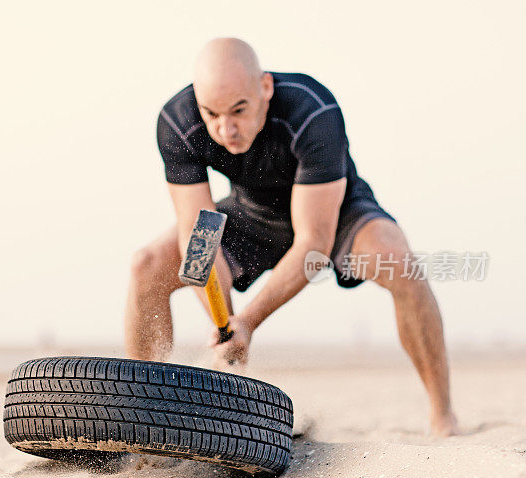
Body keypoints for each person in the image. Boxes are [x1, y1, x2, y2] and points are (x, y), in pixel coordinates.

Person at [124, 37, 458, 437]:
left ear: (264, 88)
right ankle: (141, 416)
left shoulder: (311, 110)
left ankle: (443, 416)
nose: (225, 129)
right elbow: (199, 239)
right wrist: (226, 327)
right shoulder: (179, 121)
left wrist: (248, 321)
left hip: (334, 213)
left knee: (400, 263)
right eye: (211, 113)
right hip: (252, 213)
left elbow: (313, 242)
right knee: (146, 266)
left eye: (239, 111)